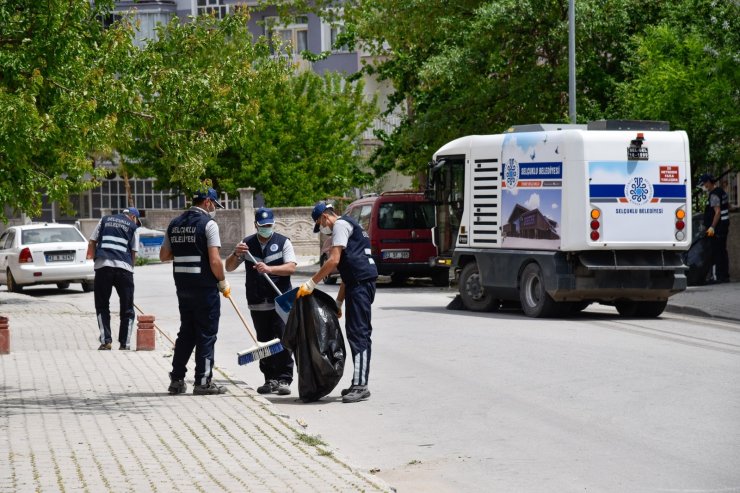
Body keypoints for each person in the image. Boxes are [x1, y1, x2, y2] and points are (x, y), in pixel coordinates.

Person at [297, 202, 378, 403]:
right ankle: (358, 382)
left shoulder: (340, 225)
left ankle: (360, 386)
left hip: (360, 285)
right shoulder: (351, 225)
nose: (323, 230)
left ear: (325, 216)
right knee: (356, 332)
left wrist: (311, 283)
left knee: (359, 333)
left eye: (320, 224)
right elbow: (346, 271)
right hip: (357, 283)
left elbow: (333, 261)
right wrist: (339, 302)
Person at [160, 187, 230, 395]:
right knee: (206, 334)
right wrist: (223, 281)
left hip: (183, 288)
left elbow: (164, 255)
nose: (214, 210)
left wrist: (186, 251)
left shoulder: (175, 224)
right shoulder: (209, 224)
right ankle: (203, 382)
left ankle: (177, 380)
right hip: (205, 289)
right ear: (208, 202)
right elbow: (215, 260)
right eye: (214, 205)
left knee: (187, 334)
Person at [225, 207, 297, 395]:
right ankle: (269, 379)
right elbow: (229, 267)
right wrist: (235, 253)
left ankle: (284, 379)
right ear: (256, 225)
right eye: (263, 225)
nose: (266, 228)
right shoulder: (246, 244)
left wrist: (270, 269)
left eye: (269, 225)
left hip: (280, 300)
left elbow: (290, 268)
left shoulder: (283, 242)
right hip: (257, 300)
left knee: (282, 340)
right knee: (263, 343)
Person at [87, 207, 141, 350]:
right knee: (127, 308)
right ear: (134, 217)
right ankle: (125, 344)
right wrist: (131, 271)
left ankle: (106, 341)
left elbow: (92, 241)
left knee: (102, 305)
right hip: (124, 269)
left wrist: (94, 261)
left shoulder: (104, 220)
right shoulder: (133, 227)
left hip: (103, 266)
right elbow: (133, 253)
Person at [699, 173, 730, 283]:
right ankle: (724, 276)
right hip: (723, 226)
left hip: (718, 228)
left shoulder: (714, 195)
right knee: (722, 251)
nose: (703, 186)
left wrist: (712, 227)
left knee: (717, 251)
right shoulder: (721, 191)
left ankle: (719, 276)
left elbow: (717, 212)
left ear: (708, 182)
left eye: (704, 184)